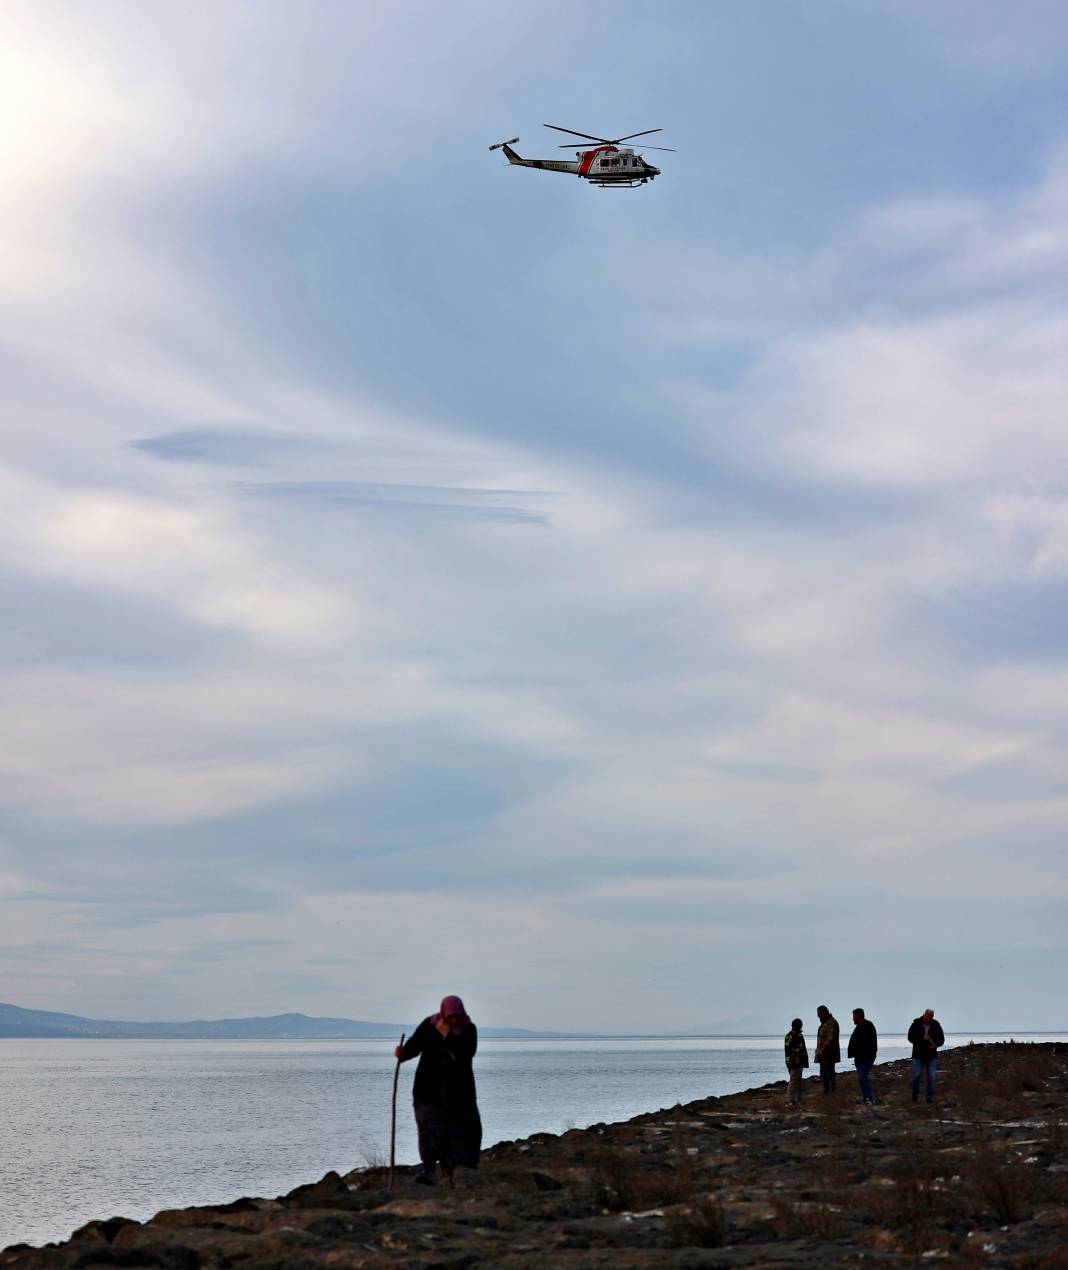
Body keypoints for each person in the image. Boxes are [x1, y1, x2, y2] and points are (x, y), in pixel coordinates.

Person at [395, 995, 482, 1185]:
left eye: (457, 1016)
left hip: (458, 1093)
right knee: (427, 1129)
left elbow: (466, 1053)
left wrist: (447, 1036)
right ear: (444, 1014)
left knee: (452, 1132)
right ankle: (428, 1170)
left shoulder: (468, 1030)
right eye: (451, 1017)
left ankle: (449, 1173)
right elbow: (415, 1045)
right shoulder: (429, 1025)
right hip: (427, 1090)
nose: (454, 1020)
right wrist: (403, 1054)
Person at [907, 1008, 945, 1104]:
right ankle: (914, 1096)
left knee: (931, 1077)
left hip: (931, 1056)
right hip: (918, 1055)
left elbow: (941, 1040)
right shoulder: (916, 1023)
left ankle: (929, 1098)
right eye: (927, 1016)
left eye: (930, 1017)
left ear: (932, 1017)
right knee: (917, 1075)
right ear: (924, 1014)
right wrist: (922, 1038)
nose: (928, 1018)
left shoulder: (936, 1025)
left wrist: (935, 1044)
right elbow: (910, 1037)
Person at [847, 1007, 878, 1106]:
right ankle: (866, 1098)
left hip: (867, 1057)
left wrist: (870, 1054)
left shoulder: (868, 1026)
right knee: (861, 1078)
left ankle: (869, 1098)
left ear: (858, 1016)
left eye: (854, 1016)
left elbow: (872, 1042)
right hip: (859, 1058)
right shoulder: (858, 1027)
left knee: (862, 1077)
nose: (853, 1019)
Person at [814, 1005, 840, 1094]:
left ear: (824, 1013)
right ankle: (827, 1093)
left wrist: (822, 1051)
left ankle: (831, 1093)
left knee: (829, 1074)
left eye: (819, 1013)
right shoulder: (825, 1023)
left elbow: (830, 1039)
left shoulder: (831, 1023)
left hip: (829, 1055)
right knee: (824, 1074)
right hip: (823, 1055)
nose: (818, 1016)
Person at [784, 1017, 809, 1105]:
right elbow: (796, 1050)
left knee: (797, 1081)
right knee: (794, 1081)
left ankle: (797, 1099)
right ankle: (790, 1100)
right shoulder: (796, 1036)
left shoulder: (789, 1035)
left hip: (791, 1062)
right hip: (796, 1062)